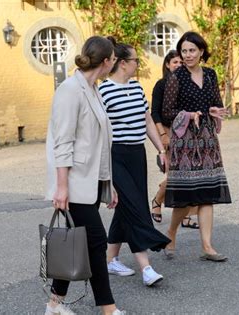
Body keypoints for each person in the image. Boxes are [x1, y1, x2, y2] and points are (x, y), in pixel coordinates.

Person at [45, 36, 124, 315]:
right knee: (96, 241)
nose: (114, 62)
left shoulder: (93, 89)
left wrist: (108, 185)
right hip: (74, 183)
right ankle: (108, 308)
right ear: (106, 61)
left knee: (77, 241)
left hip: (89, 182)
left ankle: (54, 305)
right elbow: (62, 142)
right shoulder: (70, 90)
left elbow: (101, 142)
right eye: (114, 58)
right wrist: (62, 187)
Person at [99, 38, 171, 287]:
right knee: (136, 206)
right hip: (115, 155)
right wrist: (104, 171)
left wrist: (161, 149)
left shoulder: (137, 88)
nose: (137, 64)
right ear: (121, 63)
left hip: (136, 154)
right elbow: (99, 132)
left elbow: (148, 121)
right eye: (135, 60)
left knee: (125, 207)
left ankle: (110, 260)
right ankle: (146, 268)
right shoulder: (104, 91)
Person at [162, 31, 231, 261]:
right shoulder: (176, 77)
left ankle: (207, 246)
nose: (188, 55)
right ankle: (171, 232)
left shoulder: (210, 75)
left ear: (201, 51)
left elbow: (216, 103)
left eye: (192, 50)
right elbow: (167, 112)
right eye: (184, 51)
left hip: (208, 139)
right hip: (185, 142)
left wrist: (215, 111)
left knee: (207, 194)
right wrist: (190, 114)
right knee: (187, 196)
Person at [150, 50, 200, 229]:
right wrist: (162, 135)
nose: (179, 65)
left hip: (186, 131)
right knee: (174, 175)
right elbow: (154, 112)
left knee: (192, 175)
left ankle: (186, 216)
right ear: (167, 65)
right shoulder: (161, 84)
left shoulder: (188, 83)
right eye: (175, 63)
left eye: (181, 62)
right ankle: (157, 200)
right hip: (167, 130)